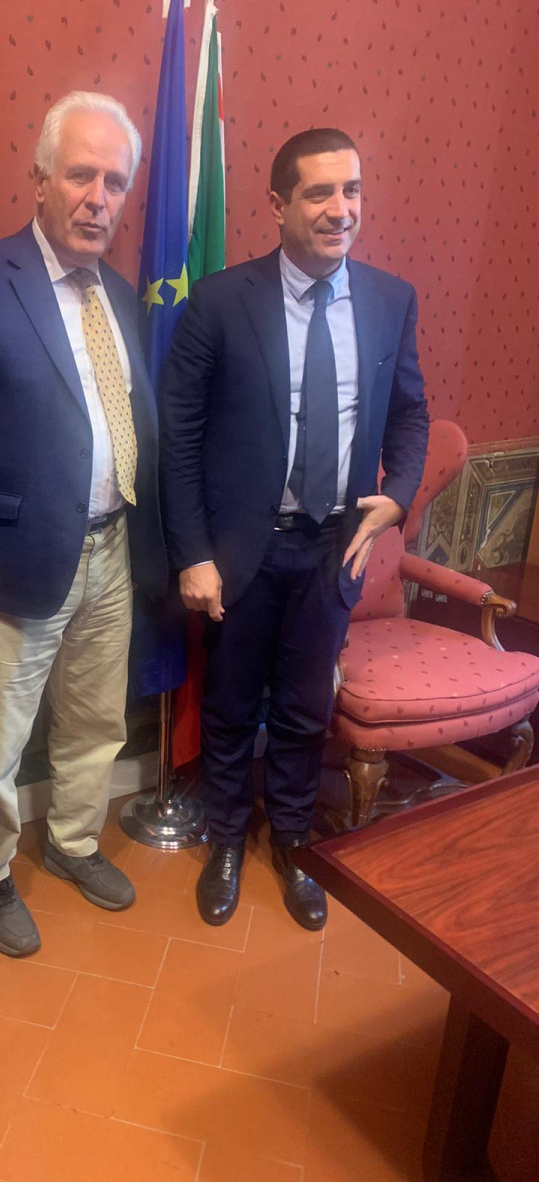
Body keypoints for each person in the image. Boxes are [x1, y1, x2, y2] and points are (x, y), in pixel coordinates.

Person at [0, 92, 167, 958]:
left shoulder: (121, 297)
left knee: (97, 721)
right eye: (81, 175)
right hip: (11, 566)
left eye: (115, 182)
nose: (99, 198)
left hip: (112, 546)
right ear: (40, 180)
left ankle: (72, 841)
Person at [158, 128, 429, 931]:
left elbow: (411, 415)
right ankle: (226, 841)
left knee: (307, 711)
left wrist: (398, 496)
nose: (340, 209)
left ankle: (294, 842)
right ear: (277, 205)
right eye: (319, 193)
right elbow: (179, 436)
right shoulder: (219, 301)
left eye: (352, 190)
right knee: (232, 706)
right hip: (242, 550)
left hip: (332, 549)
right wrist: (193, 554)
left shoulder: (390, 301)